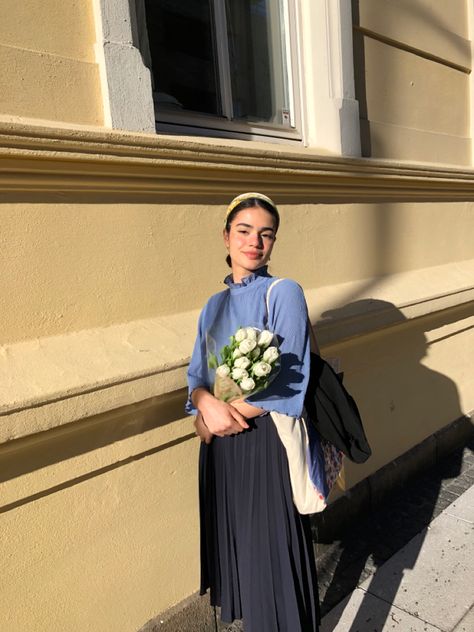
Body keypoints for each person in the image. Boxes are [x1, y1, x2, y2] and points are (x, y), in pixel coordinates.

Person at [186, 192, 320, 631]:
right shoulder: (213, 305)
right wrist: (205, 407)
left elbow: (290, 381)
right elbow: (197, 376)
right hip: (222, 448)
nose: (254, 242)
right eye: (244, 231)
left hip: (265, 443)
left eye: (266, 234)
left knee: (272, 556)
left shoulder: (284, 293)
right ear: (226, 237)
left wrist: (228, 412)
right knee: (242, 553)